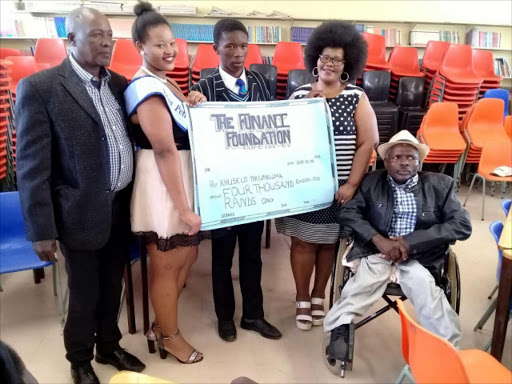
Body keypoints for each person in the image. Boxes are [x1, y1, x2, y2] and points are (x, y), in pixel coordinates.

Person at [15, 7, 145, 384]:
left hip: (119, 206)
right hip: (77, 211)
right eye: (96, 35)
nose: (106, 42)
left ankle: (109, 345)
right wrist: (41, 229)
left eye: (110, 35)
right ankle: (80, 359)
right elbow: (32, 166)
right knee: (85, 292)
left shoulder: (120, 84)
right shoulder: (41, 88)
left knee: (112, 285)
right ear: (70, 40)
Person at [324, 130, 472, 363]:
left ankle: (447, 348)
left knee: (427, 291)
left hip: (419, 256)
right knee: (361, 284)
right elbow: (348, 212)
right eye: (397, 157)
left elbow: (462, 225)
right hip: (377, 251)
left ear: (419, 161)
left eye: (411, 157)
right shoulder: (372, 181)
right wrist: (377, 238)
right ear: (387, 160)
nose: (404, 162)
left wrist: (410, 242)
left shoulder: (441, 185)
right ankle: (340, 327)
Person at [275, 21, 379, 331]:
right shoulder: (298, 97)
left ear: (348, 65)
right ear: (314, 59)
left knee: (328, 245)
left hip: (340, 191)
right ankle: (302, 298)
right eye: (324, 57)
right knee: (303, 244)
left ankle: (320, 295)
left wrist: (351, 184)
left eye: (336, 59)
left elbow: (367, 143)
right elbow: (285, 143)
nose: (329, 64)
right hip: (305, 190)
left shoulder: (357, 97)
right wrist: (309, 109)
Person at [124, 1, 208, 364]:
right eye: (159, 44)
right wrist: (185, 208)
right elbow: (163, 150)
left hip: (182, 177)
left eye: (171, 42)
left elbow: (183, 125)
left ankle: (162, 323)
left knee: (188, 254)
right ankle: (169, 336)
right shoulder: (146, 86)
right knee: (167, 263)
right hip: (164, 185)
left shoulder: (166, 81)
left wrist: (192, 99)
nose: (169, 50)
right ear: (140, 47)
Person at [191, 19, 282, 342]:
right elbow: (196, 135)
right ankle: (225, 317)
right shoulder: (204, 86)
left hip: (254, 184)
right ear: (216, 48)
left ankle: (253, 316)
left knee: (252, 254)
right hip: (224, 187)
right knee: (222, 255)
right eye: (229, 46)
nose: (237, 53)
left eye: (243, 46)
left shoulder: (259, 81)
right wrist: (194, 107)